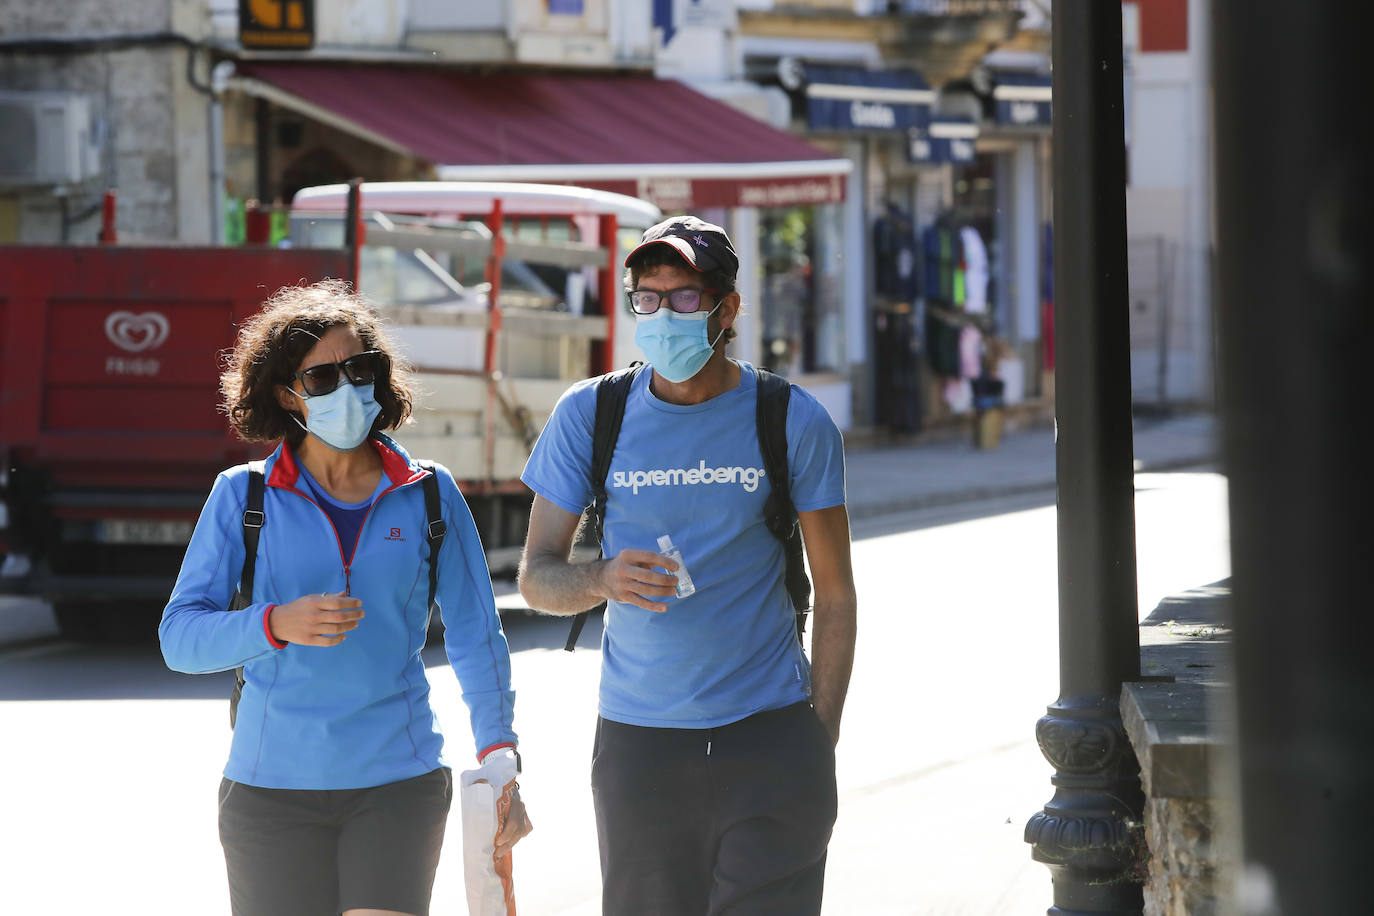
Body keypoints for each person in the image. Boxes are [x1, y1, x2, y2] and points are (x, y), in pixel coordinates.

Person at [518, 216, 857, 915]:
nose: (662, 315)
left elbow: (837, 595)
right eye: (647, 297)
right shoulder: (591, 414)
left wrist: (815, 739)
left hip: (770, 733)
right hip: (641, 746)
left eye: (683, 298)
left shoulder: (791, 419)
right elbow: (536, 577)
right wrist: (602, 579)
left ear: (726, 310)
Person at [159, 280, 530, 916]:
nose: (347, 388)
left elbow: (477, 634)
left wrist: (500, 759)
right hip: (269, 787)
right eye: (322, 377)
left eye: (359, 369)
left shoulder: (430, 493)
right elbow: (180, 640)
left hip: (398, 780)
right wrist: (274, 623)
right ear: (287, 395)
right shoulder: (242, 495)